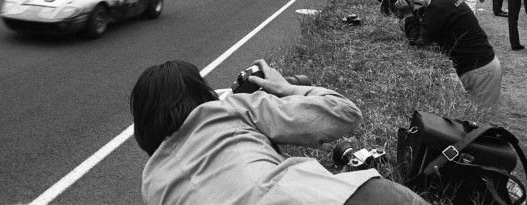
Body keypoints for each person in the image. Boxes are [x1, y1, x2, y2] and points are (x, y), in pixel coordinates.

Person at [132, 59, 427, 205]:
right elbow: (346, 114)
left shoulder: (153, 182)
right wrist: (286, 89)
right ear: (202, 94)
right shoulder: (231, 108)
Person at [395, 0, 502, 114]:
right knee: (471, 118)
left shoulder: (439, 5)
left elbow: (418, 40)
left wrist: (407, 14)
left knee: (480, 121)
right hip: (482, 66)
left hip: (481, 70)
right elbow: (433, 24)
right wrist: (415, 12)